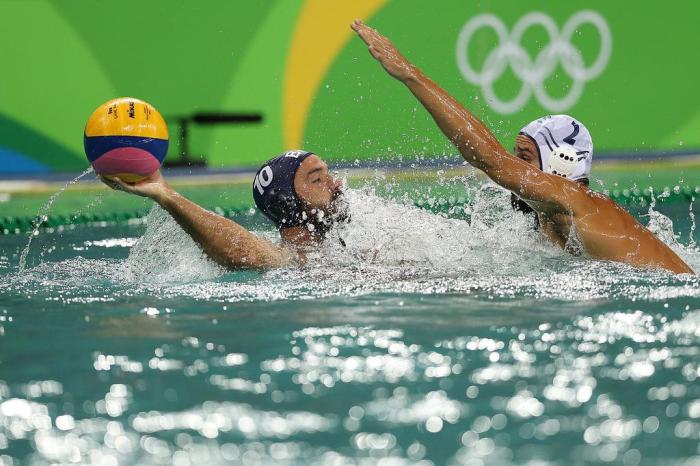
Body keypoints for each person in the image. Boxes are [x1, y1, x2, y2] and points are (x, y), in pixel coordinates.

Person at [350, 20, 693, 274]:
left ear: (562, 162)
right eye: (516, 158)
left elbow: (488, 158)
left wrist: (410, 74)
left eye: (525, 158)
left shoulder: (583, 203)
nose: (515, 170)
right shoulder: (548, 229)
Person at [100, 150, 345, 269]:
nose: (336, 184)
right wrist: (166, 195)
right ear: (288, 205)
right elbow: (242, 251)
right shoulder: (290, 260)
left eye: (329, 173)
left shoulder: (348, 250)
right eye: (317, 180)